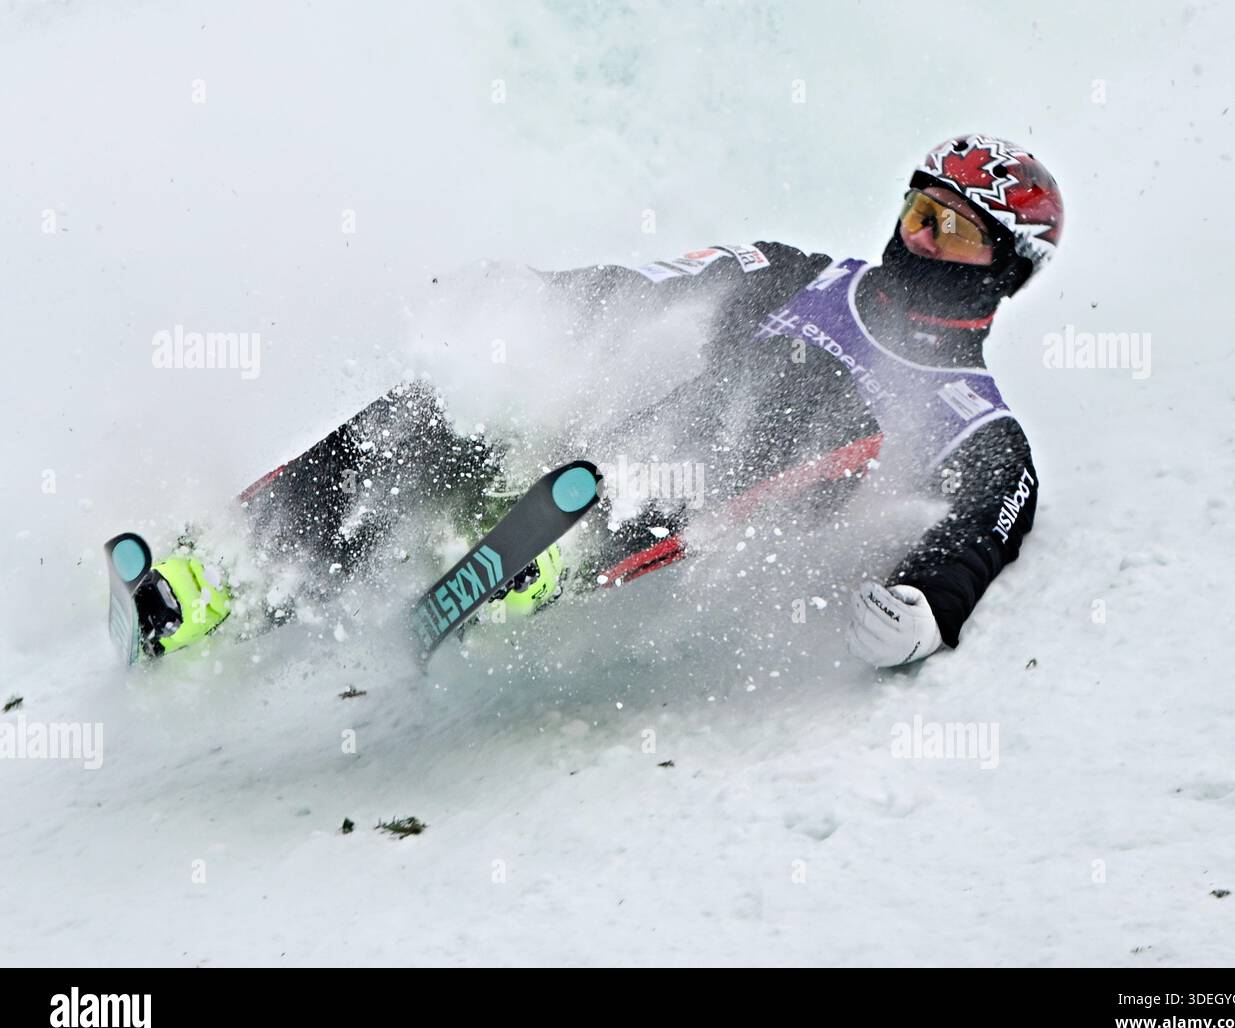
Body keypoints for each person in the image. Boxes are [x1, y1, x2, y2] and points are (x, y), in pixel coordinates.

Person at [123, 134, 1062, 670]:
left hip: (681, 501)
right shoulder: (797, 275)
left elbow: (990, 522)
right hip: (589, 453)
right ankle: (220, 575)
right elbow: (642, 286)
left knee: (826, 404)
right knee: (448, 408)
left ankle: (550, 547)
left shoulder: (973, 417)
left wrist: (930, 605)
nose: (922, 242)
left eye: (954, 233)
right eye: (917, 215)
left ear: (1006, 272)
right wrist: (529, 304)